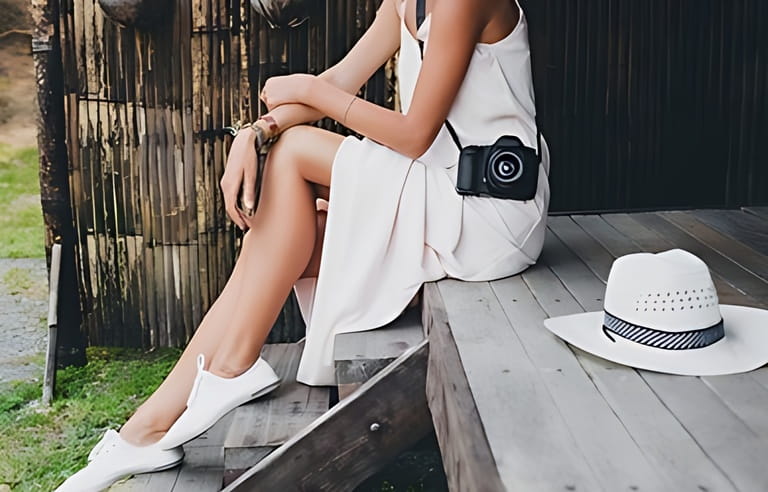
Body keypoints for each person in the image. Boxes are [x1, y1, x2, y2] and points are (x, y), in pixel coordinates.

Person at [55, 0, 550, 489]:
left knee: (293, 155)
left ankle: (231, 367)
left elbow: (414, 133)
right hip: (438, 190)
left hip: (487, 210)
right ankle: (149, 427)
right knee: (282, 239)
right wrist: (256, 131)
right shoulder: (402, 2)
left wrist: (301, 103)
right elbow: (340, 83)